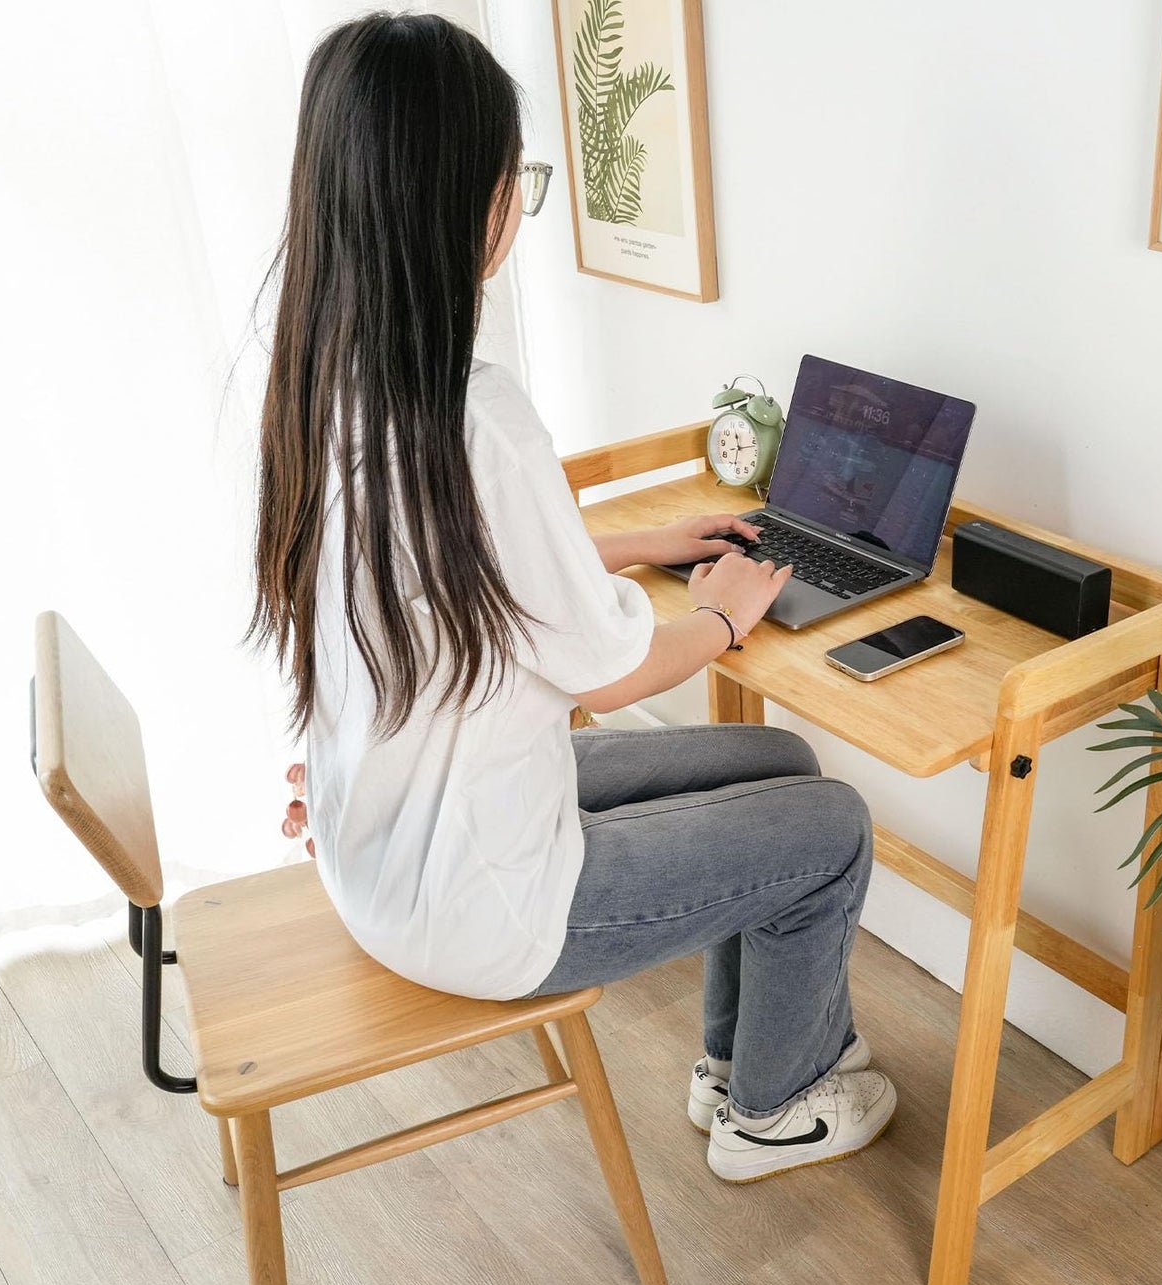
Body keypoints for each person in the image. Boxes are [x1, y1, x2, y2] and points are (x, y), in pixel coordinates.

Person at [254, 13, 895, 1183]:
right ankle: (777, 1108)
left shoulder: (327, 377)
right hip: (490, 904)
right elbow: (608, 671)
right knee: (835, 825)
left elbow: (477, 554)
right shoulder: (474, 412)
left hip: (387, 846)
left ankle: (734, 1064)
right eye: (516, 180)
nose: (516, 205)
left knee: (784, 770)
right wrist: (728, 611)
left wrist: (647, 535)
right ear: (465, 202)